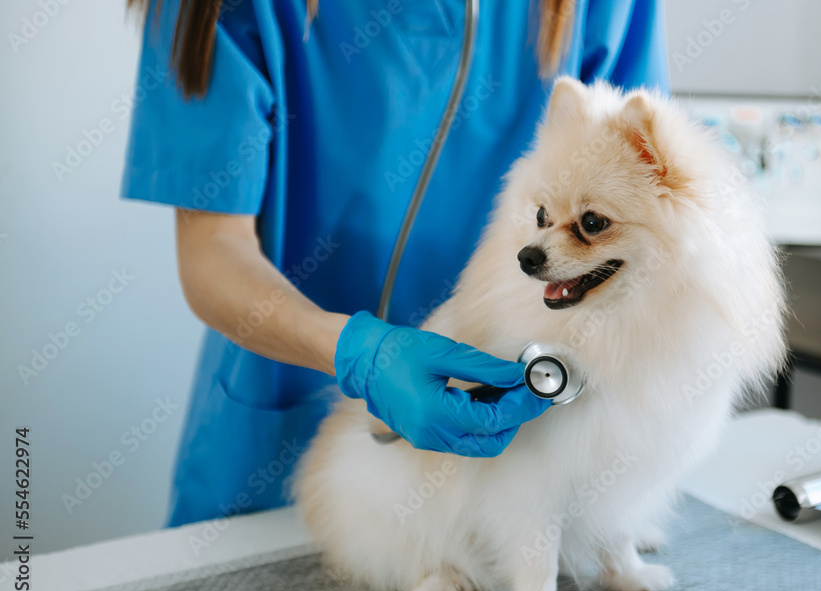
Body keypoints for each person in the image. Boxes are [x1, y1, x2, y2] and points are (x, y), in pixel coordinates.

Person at [123, 0, 671, 527]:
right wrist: (360, 354)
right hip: (277, 432)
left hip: (509, 447)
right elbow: (214, 250)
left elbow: (643, 202)